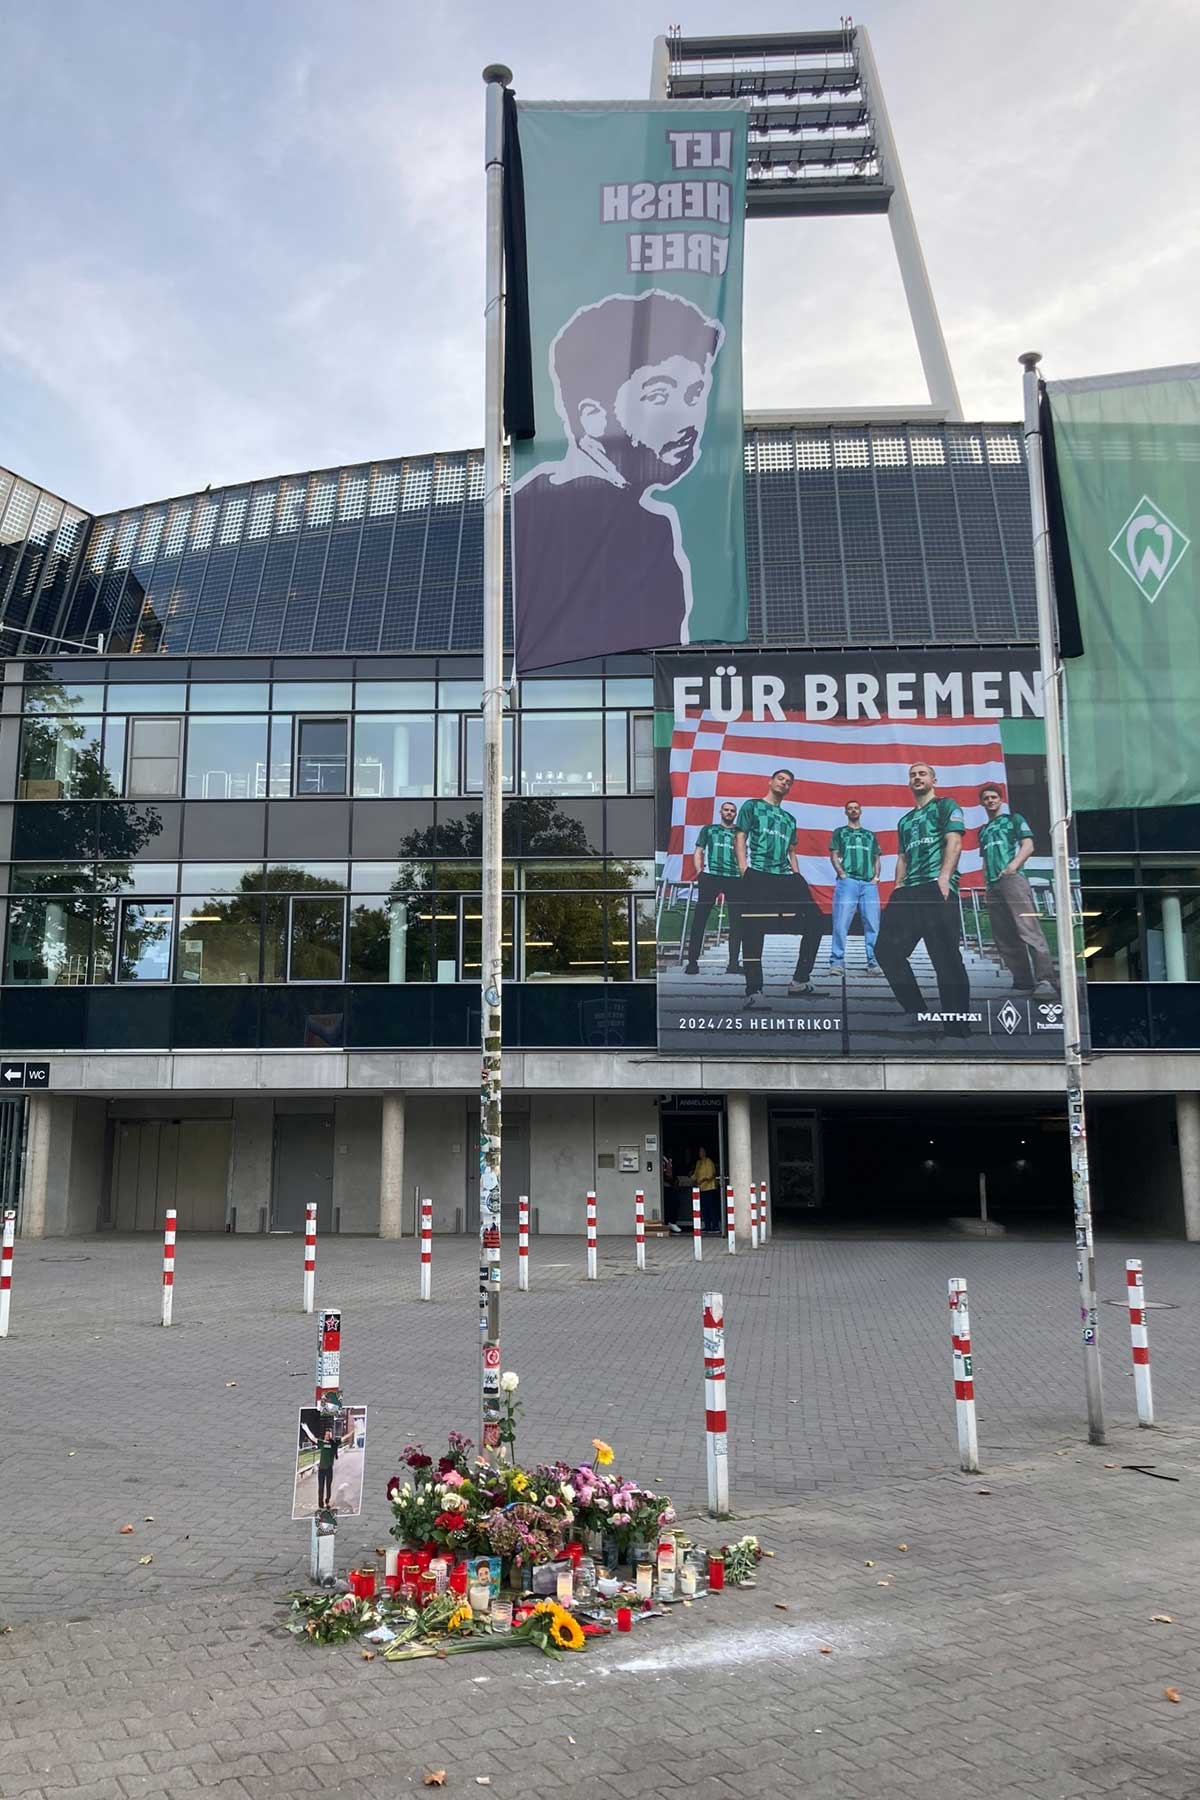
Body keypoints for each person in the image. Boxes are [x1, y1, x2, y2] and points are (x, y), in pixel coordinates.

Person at [512, 289, 724, 668]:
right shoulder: (530, 517)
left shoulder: (653, 530)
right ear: (593, 418)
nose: (688, 418)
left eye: (695, 395)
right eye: (659, 396)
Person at [874, 762, 972, 1038]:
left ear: (933, 779)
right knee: (885, 950)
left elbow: (954, 842)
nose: (917, 777)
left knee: (945, 957)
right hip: (908, 892)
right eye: (913, 775)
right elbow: (902, 858)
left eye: (922, 773)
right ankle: (916, 1012)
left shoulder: (945, 806)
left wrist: (944, 877)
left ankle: (957, 1025)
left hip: (935, 886)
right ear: (909, 783)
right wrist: (897, 887)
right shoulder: (905, 820)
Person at [734, 770, 825, 1009]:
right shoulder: (752, 806)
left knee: (816, 921)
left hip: (785, 875)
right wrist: (744, 869)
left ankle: (799, 980)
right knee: (753, 928)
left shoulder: (789, 819)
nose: (784, 783)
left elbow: (791, 851)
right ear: (770, 781)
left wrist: (796, 875)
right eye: (780, 779)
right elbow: (741, 835)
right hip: (759, 873)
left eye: (788, 782)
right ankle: (754, 991)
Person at [977, 783, 1058, 993]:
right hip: (993, 885)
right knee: (1003, 935)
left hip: (1013, 879)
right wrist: (986, 884)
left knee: (1028, 929)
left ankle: (1045, 980)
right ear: (982, 802)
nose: (990, 801)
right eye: (986, 798)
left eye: (994, 797)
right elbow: (985, 859)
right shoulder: (983, 830)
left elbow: (1028, 845)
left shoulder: (1013, 819)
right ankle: (1022, 980)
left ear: (1001, 799)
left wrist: (1013, 866)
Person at [685, 800, 743, 974]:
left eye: (732, 811)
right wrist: (700, 872)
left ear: (735, 814)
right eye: (726, 810)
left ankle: (733, 963)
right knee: (699, 920)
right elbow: (698, 851)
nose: (729, 813)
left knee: (737, 922)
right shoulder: (709, 829)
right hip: (711, 877)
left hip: (734, 878)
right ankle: (692, 962)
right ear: (720, 812)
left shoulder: (740, 832)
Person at [828, 799, 881, 973]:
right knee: (841, 922)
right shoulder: (840, 832)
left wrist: (876, 877)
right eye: (849, 808)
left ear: (860, 810)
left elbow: (876, 858)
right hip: (848, 881)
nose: (853, 810)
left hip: (868, 883)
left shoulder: (869, 835)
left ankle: (874, 962)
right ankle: (837, 962)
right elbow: (834, 855)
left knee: (873, 923)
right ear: (845, 812)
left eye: (856, 808)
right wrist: (842, 875)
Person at [688, 1144, 720, 1234]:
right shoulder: (698, 1163)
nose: (700, 1153)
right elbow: (696, 1174)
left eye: (702, 1151)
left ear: (705, 1152)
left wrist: (703, 1180)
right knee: (704, 1209)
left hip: (709, 1188)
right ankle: (707, 1226)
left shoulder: (709, 1162)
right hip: (701, 1189)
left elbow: (711, 1175)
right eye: (699, 1151)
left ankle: (715, 1226)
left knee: (711, 1208)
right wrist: (691, 1177)